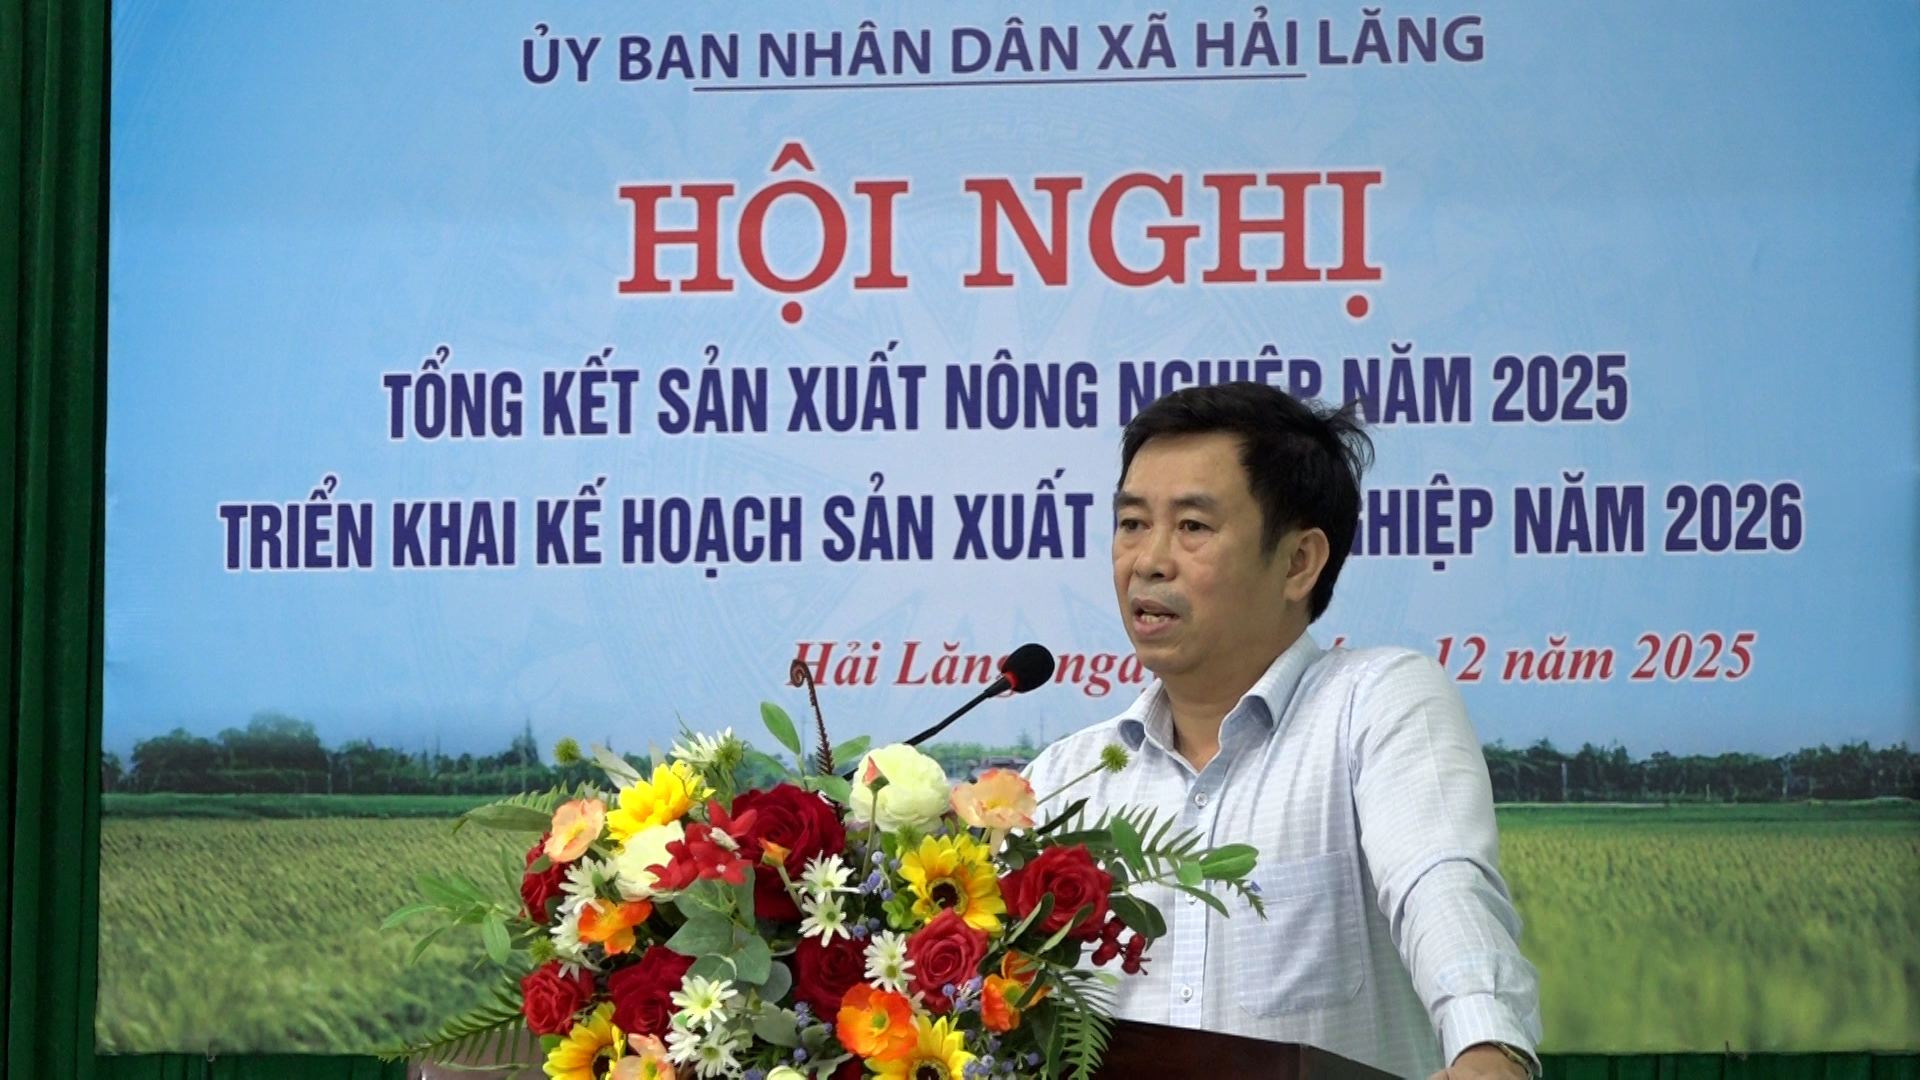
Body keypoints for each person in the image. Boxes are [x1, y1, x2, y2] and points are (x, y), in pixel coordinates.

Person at [1023, 383, 1542, 1080]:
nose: (1147, 560)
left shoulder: (1375, 704)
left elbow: (1440, 882)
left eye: (1193, 527)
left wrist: (1487, 1048)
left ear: (1299, 562)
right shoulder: (1064, 780)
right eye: (1132, 523)